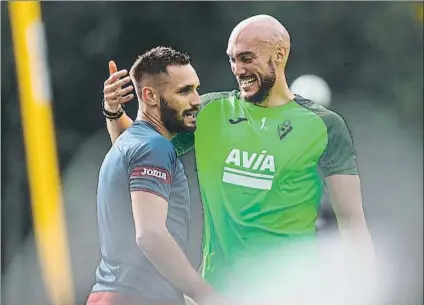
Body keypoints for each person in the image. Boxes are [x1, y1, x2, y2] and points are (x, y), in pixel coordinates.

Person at [102, 15, 375, 301]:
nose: (237, 69)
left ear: (279, 55)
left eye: (246, 58)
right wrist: (113, 111)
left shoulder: (325, 125)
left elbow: (352, 222)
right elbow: (135, 150)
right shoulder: (209, 111)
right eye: (232, 59)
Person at [87, 46, 226, 305]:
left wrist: (112, 111)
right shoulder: (154, 147)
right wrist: (208, 296)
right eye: (184, 91)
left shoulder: (134, 142)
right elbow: (150, 235)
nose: (197, 100)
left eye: (196, 88)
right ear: (149, 96)